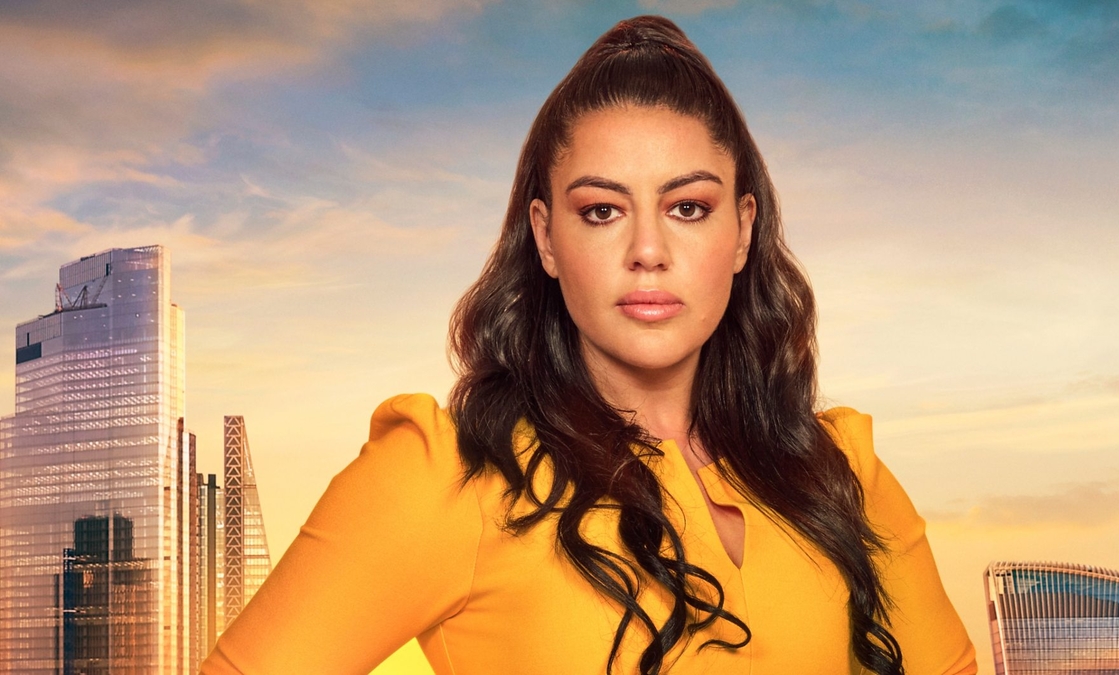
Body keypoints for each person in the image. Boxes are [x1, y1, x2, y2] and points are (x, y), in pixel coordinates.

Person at [200, 15, 976, 675]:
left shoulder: (843, 475)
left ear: (742, 230)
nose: (648, 249)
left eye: (689, 207)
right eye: (603, 211)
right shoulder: (445, 476)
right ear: (545, 237)